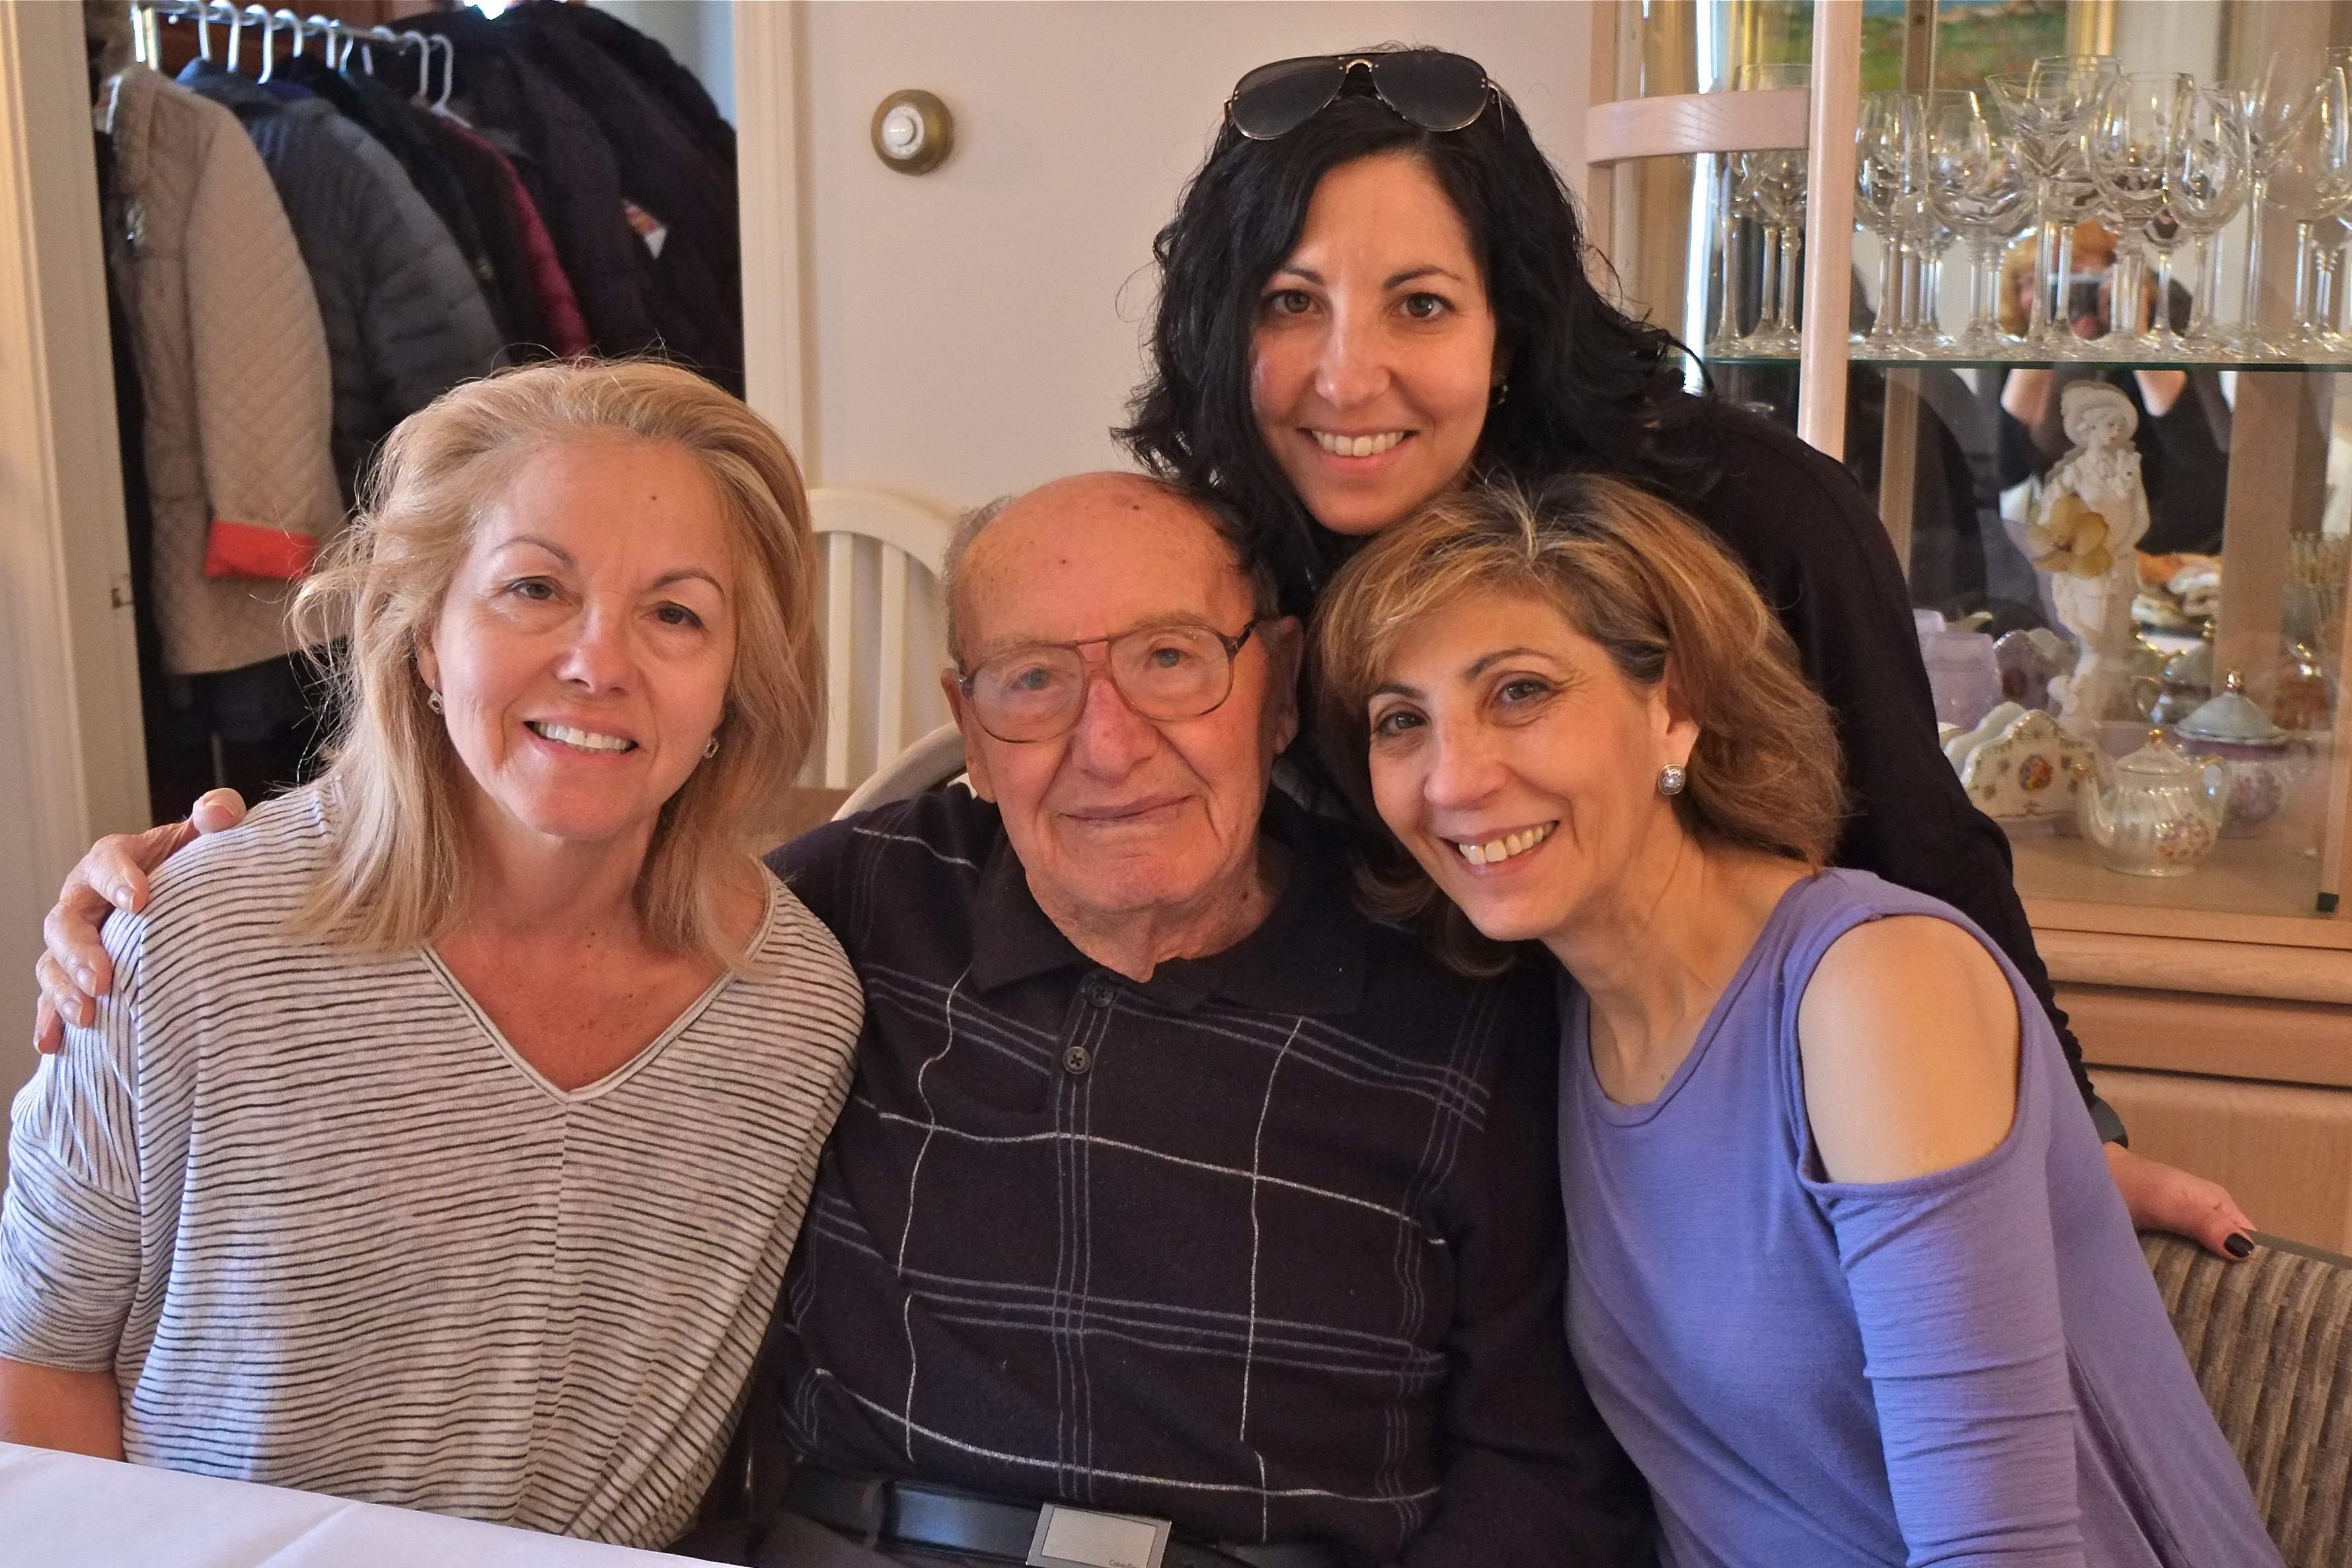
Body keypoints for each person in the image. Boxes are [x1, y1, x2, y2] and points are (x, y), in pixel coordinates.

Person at [32, 473, 1652, 1568]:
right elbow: (548, 882)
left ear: (1276, 682)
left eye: (1171, 659)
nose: (1107, 741)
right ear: (966, 723)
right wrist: (199, 872)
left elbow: (1537, 1466)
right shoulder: (837, 924)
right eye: (1032, 680)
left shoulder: (1454, 994)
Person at [1117, 46, 2252, 1255]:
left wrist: (2073, 1133)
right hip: (1412, 1169)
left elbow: (1926, 852)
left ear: (1509, 330)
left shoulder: (1745, 511)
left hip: (1767, 1171)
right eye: (1291, 303)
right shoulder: (1230, 566)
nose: (1348, 378)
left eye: (1422, 304)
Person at [1310, 475, 2281, 1568]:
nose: (1455, 778)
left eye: (1521, 691)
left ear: (1672, 707)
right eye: (1402, 720)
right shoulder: (1564, 1021)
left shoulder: (1871, 989)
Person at [0, 361, 864, 1551]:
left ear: (733, 682)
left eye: (676, 614)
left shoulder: (795, 1010)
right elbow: (38, 1362)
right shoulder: (193, 938)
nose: (599, 661)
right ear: (423, 636)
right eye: (534, 588)